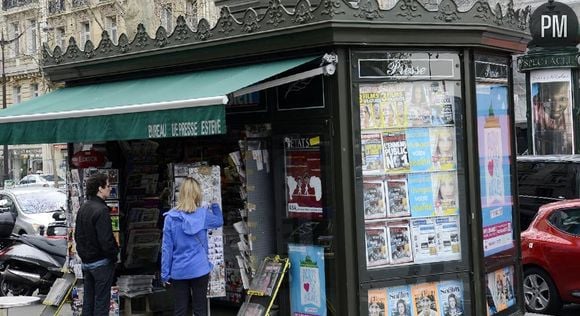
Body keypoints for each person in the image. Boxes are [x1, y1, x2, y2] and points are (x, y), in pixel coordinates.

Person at [161, 177, 224, 316]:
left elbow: (167, 249)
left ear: (181, 193)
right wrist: (214, 204)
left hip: (179, 270)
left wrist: (165, 274)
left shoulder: (170, 218)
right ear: (197, 194)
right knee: (200, 309)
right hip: (200, 269)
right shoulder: (203, 215)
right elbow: (219, 221)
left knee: (180, 310)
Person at [74, 173, 119, 316]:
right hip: (101, 262)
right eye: (108, 186)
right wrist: (114, 255)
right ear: (100, 188)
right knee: (101, 302)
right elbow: (106, 240)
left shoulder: (84, 208)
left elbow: (77, 235)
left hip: (87, 262)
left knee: (88, 301)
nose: (110, 189)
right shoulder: (101, 210)